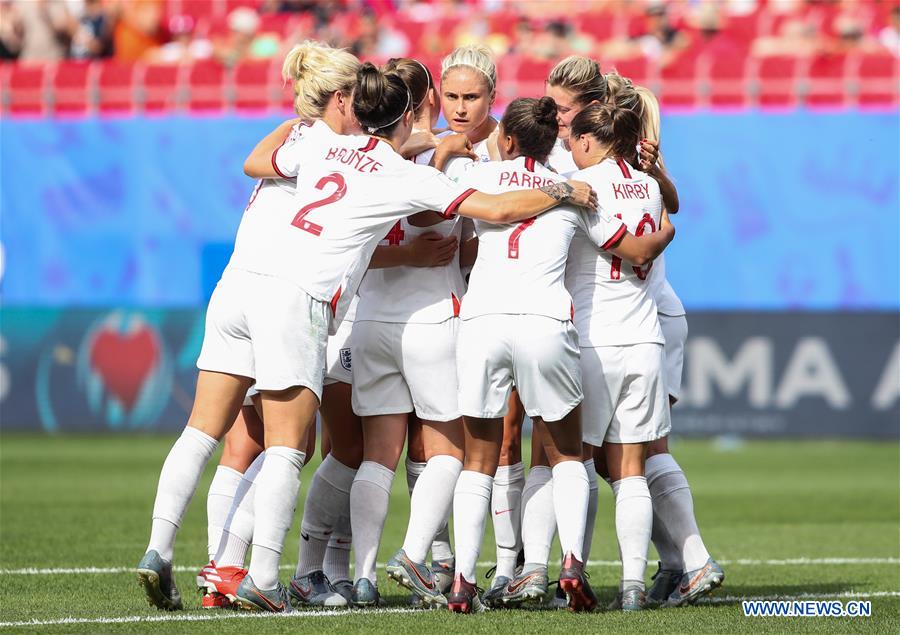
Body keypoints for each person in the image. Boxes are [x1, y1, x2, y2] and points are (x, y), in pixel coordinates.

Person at [136, 56, 597, 613]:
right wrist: (563, 193)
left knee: (204, 433)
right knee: (289, 446)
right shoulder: (404, 174)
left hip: (237, 286)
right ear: (409, 113)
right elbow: (497, 207)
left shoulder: (314, 142)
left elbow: (258, 163)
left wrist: (303, 120)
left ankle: (161, 549)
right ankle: (263, 576)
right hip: (299, 296)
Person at [447, 97, 675, 614]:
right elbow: (627, 248)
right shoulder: (577, 194)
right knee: (567, 455)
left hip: (481, 324)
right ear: (553, 142)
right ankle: (571, 563)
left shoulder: (475, 176)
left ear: (505, 139)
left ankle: (463, 580)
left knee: (478, 460)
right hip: (547, 325)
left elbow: (447, 159)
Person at [607, 78, 725, 609]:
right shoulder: (645, 173)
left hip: (643, 318)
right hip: (654, 315)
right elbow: (671, 202)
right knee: (626, 455)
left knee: (640, 451)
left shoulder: (613, 172)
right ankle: (677, 564)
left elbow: (663, 219)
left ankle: (693, 558)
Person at [564, 101, 681, 611]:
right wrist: (665, 233)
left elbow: (631, 251)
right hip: (644, 337)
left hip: (594, 338)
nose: (570, 146)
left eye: (573, 138)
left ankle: (576, 571)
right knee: (632, 468)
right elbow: (657, 232)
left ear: (590, 141)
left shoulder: (580, 184)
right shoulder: (650, 185)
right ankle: (633, 585)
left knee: (579, 462)